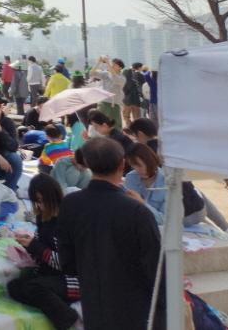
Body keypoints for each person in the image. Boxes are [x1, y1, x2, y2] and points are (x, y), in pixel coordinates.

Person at [58, 136, 163, 330]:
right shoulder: (137, 210)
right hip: (135, 305)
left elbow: (68, 262)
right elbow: (156, 268)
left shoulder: (70, 204)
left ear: (87, 164)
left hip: (94, 299)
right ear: (122, 164)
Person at [6, 174, 79, 330]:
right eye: (36, 202)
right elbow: (40, 249)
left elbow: (64, 263)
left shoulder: (66, 222)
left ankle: (68, 318)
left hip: (75, 278)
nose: (39, 206)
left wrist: (34, 246)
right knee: (14, 286)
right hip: (52, 274)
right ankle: (56, 300)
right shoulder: (42, 218)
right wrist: (28, 244)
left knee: (35, 287)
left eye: (41, 201)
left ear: (53, 197)